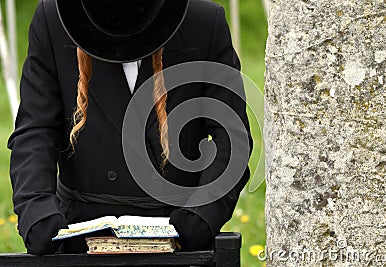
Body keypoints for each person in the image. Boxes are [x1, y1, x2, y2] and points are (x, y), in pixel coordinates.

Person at [8, 0, 253, 255]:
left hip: (178, 236)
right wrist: (36, 210)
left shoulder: (203, 21)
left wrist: (203, 214)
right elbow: (35, 130)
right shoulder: (53, 19)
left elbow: (232, 136)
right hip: (80, 237)